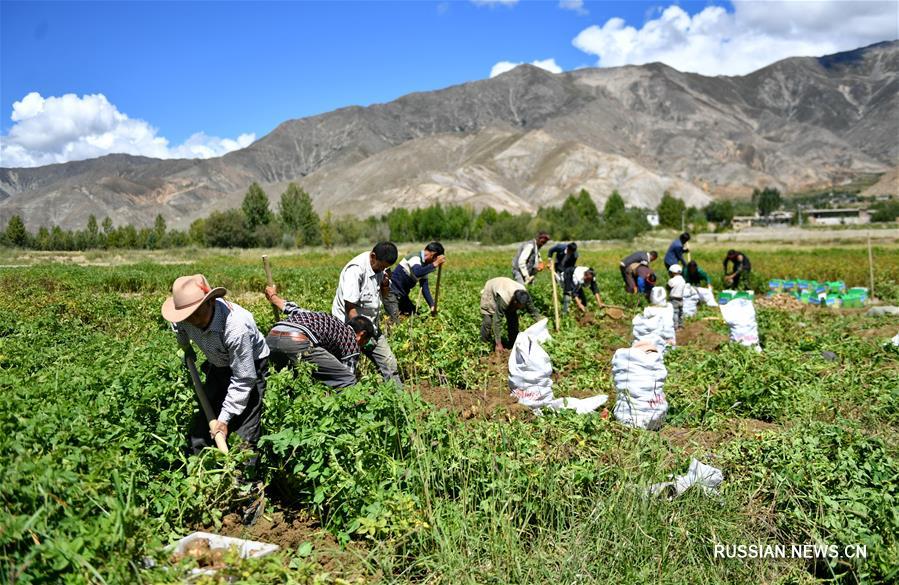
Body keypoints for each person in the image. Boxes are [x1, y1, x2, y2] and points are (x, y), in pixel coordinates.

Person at [161, 274, 269, 463]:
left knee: (244, 429)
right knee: (203, 425)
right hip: (218, 362)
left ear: (211, 301)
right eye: (187, 315)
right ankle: (199, 471)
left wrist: (224, 419)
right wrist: (185, 348)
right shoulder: (184, 316)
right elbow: (179, 327)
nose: (193, 319)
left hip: (249, 365)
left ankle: (245, 482)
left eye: (197, 313)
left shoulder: (236, 326)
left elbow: (243, 378)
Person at [264, 286, 376, 388]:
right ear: (362, 334)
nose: (362, 347)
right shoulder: (351, 342)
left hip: (271, 337)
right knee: (347, 380)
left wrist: (273, 296)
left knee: (288, 380)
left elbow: (292, 309)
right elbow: (346, 376)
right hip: (297, 342)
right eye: (365, 342)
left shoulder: (321, 317)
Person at [332, 242, 402, 386]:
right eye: (381, 266)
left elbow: (384, 294)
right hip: (349, 329)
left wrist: (385, 284)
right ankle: (345, 401)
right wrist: (363, 336)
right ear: (373, 256)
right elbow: (350, 308)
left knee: (389, 364)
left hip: (370, 327)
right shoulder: (356, 270)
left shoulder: (380, 267)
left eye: (385, 267)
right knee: (346, 370)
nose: (383, 270)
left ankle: (399, 401)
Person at [384, 242, 446, 323]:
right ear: (433, 255)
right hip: (391, 292)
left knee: (415, 317)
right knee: (395, 321)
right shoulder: (415, 257)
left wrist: (432, 305)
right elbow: (417, 272)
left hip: (402, 295)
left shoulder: (424, 265)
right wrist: (435, 264)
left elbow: (424, 287)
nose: (432, 262)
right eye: (435, 259)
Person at [480, 276, 542, 353]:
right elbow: (497, 320)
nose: (521, 308)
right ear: (515, 301)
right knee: (488, 321)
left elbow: (533, 311)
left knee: (513, 320)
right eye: (519, 305)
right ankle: (484, 345)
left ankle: (513, 343)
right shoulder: (505, 299)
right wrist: (498, 343)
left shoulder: (525, 296)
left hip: (506, 286)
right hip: (491, 289)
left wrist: (541, 322)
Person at [667, 264, 686, 329]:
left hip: (674, 299)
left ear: (672, 272)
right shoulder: (683, 280)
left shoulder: (672, 280)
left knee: (675, 312)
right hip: (681, 298)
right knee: (680, 313)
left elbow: (668, 287)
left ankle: (675, 326)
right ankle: (681, 325)